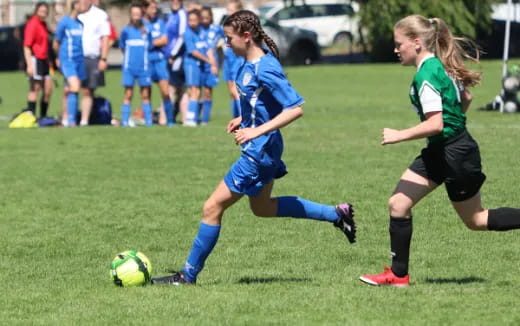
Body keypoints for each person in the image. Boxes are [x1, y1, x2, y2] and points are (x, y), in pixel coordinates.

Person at [151, 10, 356, 286]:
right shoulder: (247, 64)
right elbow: (262, 104)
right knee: (263, 208)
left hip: (259, 152)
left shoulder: (265, 67)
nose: (226, 44)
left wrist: (255, 130)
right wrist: (244, 119)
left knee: (211, 207)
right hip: (264, 148)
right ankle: (336, 213)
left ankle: (187, 276)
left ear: (246, 37)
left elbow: (295, 109)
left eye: (229, 38)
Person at [359, 15, 520, 287]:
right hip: (443, 149)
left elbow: (436, 123)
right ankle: (398, 277)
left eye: (399, 44)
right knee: (398, 203)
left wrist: (400, 135)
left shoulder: (426, 74)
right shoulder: (437, 65)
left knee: (476, 220)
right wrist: (453, 126)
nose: (396, 50)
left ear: (417, 43)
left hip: (456, 154)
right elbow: (465, 98)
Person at [53, 0, 88, 127]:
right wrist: (58, 58)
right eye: (81, 3)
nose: (84, 6)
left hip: (79, 60)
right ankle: (72, 121)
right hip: (67, 60)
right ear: (75, 5)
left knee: (68, 89)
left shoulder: (80, 24)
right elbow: (56, 42)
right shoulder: (64, 22)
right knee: (75, 87)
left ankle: (65, 118)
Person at [119, 3, 153, 127]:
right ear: (130, 15)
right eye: (134, 14)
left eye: (138, 14)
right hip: (129, 68)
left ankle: (149, 122)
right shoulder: (125, 31)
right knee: (128, 93)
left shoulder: (147, 29)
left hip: (144, 67)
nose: (136, 17)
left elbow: (151, 45)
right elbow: (122, 47)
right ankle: (124, 121)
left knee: (145, 94)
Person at [78, 0, 110, 126]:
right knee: (69, 89)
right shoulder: (76, 15)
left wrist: (103, 58)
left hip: (92, 58)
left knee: (88, 90)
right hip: (75, 58)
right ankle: (67, 119)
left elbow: (105, 37)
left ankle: (84, 120)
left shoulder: (100, 15)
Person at [183, 9, 218, 127]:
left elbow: (207, 48)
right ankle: (190, 119)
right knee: (194, 90)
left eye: (194, 20)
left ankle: (195, 119)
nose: (192, 23)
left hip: (200, 65)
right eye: (190, 20)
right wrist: (208, 60)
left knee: (197, 91)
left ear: (199, 21)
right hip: (191, 65)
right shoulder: (188, 33)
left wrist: (213, 63)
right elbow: (193, 52)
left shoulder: (201, 32)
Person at [143, 0, 174, 126]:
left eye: (155, 8)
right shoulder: (141, 23)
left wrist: (149, 43)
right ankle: (148, 122)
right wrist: (156, 41)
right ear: (144, 8)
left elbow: (165, 40)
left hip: (160, 61)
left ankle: (170, 121)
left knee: (166, 92)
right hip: (146, 62)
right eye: (152, 8)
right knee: (146, 93)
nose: (154, 11)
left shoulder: (160, 22)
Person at [23, 2, 53, 118]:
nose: (44, 14)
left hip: (44, 60)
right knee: (35, 88)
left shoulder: (44, 24)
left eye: (45, 12)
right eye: (41, 11)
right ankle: (31, 115)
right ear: (36, 11)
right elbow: (27, 46)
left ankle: (43, 116)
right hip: (35, 59)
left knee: (48, 90)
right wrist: (29, 65)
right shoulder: (33, 24)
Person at [199, 6, 225, 125]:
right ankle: (194, 117)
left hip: (212, 63)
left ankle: (205, 119)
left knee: (208, 91)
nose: (204, 20)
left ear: (211, 17)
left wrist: (220, 44)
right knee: (196, 91)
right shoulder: (197, 29)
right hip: (198, 63)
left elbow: (226, 38)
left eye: (207, 18)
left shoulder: (216, 28)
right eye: (202, 18)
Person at [164, 0, 188, 123]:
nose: (174, 2)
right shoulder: (170, 15)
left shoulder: (182, 14)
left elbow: (182, 36)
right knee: (172, 87)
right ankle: (170, 117)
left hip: (178, 56)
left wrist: (173, 53)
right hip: (169, 56)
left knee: (177, 88)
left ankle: (180, 119)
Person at [222, 0, 244, 118]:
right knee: (231, 91)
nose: (228, 12)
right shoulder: (227, 25)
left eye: (231, 10)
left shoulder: (241, 26)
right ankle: (235, 117)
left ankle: (244, 117)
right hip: (228, 60)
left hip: (237, 59)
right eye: (228, 10)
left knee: (237, 91)